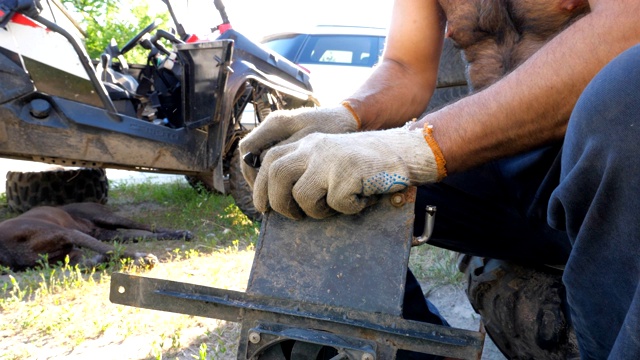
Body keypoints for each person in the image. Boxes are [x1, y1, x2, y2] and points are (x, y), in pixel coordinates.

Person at [239, 0, 640, 358]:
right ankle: (420, 353)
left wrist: (418, 148)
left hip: (599, 162)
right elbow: (406, 68)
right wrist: (346, 119)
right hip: (491, 162)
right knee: (307, 177)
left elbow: (628, 29)